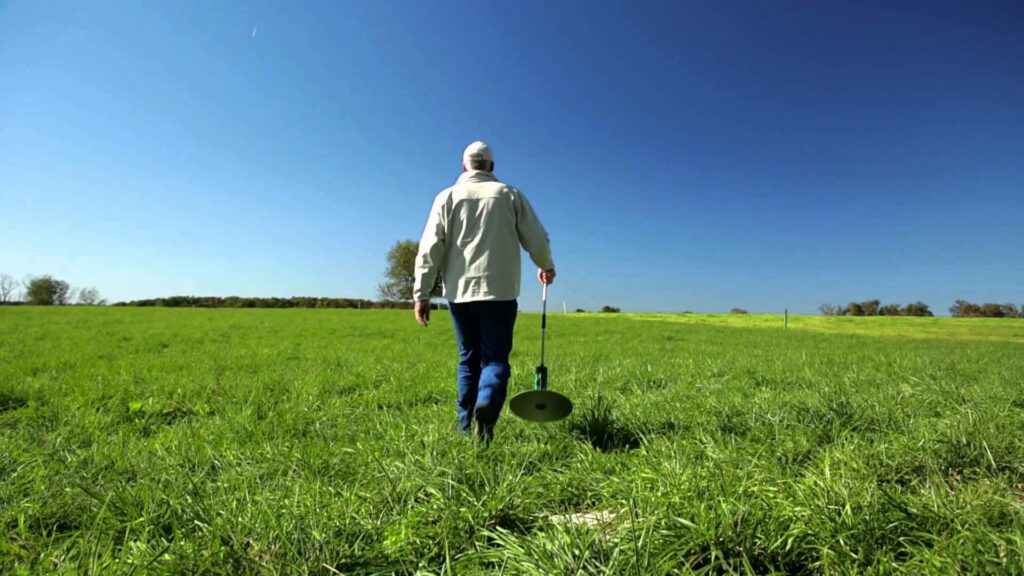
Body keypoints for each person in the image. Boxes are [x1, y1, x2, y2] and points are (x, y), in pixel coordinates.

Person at [413, 141, 556, 443]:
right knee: (494, 360)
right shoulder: (509, 194)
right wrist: (546, 265)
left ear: (464, 165)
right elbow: (537, 238)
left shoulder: (446, 197)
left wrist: (421, 294)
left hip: (460, 293)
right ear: (491, 167)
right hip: (500, 292)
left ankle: (466, 428)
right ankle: (488, 402)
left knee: (468, 359)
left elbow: (430, 248)